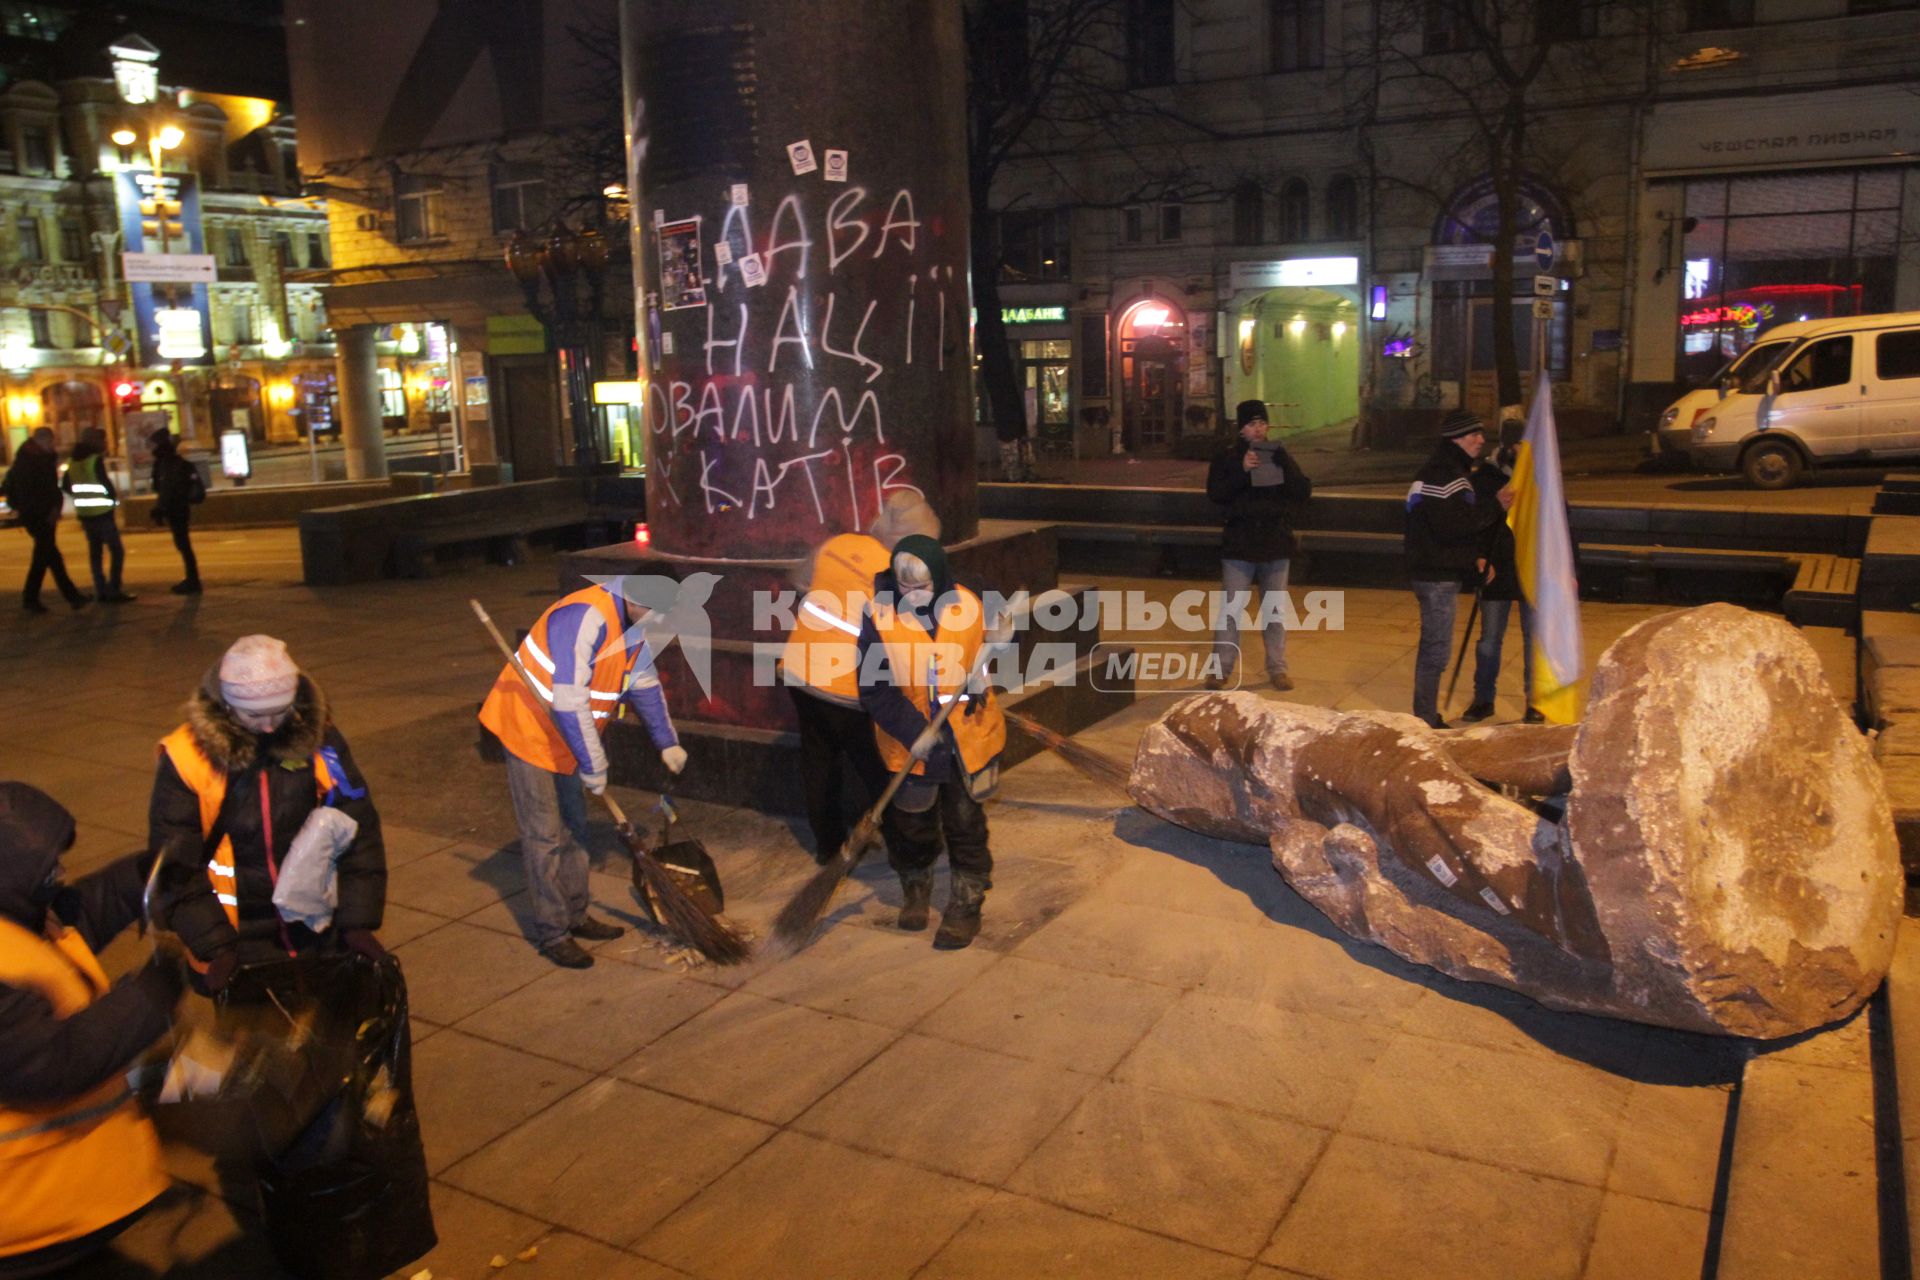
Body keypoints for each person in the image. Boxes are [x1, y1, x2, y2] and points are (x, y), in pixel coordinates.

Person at [0, 782, 178, 1276]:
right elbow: (50, 1065)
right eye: (46, 867)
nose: (59, 873)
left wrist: (142, 877)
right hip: (28, 1218)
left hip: (59, 1202)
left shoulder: (18, 917)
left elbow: (80, 915)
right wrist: (151, 996)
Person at [150, 635, 387, 991]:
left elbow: (358, 825)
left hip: (315, 926)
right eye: (254, 715)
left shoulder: (320, 741)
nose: (269, 727)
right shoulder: (187, 758)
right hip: (235, 933)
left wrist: (356, 920)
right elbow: (173, 863)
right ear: (226, 706)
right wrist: (216, 946)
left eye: (280, 712)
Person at [478, 577, 688, 968]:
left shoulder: (636, 625)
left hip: (568, 739)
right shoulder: (584, 617)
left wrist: (667, 741)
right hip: (529, 730)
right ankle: (553, 932)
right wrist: (595, 765)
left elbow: (642, 682)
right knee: (544, 836)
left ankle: (577, 914)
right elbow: (570, 699)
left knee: (574, 826)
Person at [857, 535, 1007, 951]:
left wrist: (1000, 644)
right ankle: (915, 884)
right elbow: (874, 689)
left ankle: (966, 901)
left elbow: (981, 658)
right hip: (911, 746)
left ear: (939, 578)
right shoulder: (878, 617)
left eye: (923, 586)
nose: (915, 595)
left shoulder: (968, 604)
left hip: (967, 738)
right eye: (906, 587)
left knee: (965, 823)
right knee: (911, 824)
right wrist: (913, 730)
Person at [779, 492, 940, 864]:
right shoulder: (898, 571)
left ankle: (827, 846)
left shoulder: (839, 543)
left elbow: (799, 582)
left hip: (799, 669)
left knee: (818, 761)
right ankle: (905, 848)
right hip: (845, 687)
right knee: (878, 764)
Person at [1405, 409, 1511, 729]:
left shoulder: (1451, 470)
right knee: (1436, 650)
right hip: (1435, 574)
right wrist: (1495, 507)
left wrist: (1474, 558)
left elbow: (1451, 527)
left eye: (1480, 434)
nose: (1481, 440)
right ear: (1456, 439)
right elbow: (1451, 525)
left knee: (1436, 647)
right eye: (1473, 435)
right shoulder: (1443, 473)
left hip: (1439, 569)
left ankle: (1426, 713)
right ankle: (1425, 718)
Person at [1206, 399, 1313, 692]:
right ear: (1241, 429)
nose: (1259, 429)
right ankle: (1220, 669)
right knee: (1231, 610)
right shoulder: (1227, 457)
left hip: (1275, 543)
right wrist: (1242, 470)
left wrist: (1285, 464)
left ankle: (1277, 668)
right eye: (1253, 424)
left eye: (1263, 423)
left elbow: (1302, 491)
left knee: (1274, 610)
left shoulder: (1278, 454)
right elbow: (1216, 494)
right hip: (1240, 543)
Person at [1460, 443, 1539, 724]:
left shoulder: (1541, 477)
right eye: (1515, 444)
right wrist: (1479, 558)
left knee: (1535, 640)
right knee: (1489, 640)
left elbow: (1560, 524)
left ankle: (1536, 702)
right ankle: (1483, 699)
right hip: (1497, 567)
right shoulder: (1483, 479)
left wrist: (1569, 569)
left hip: (1533, 568)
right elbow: (1469, 524)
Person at [1, 428, 88, 614]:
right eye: (50, 442)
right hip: (38, 517)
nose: (53, 445)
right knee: (49, 557)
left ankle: (35, 598)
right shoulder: (29, 462)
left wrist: (55, 507)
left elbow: (48, 488)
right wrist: (48, 511)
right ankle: (69, 597)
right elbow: (34, 493)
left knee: (46, 558)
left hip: (43, 515)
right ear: (41, 441)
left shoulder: (38, 459)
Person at [62, 427, 135, 604]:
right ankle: (114, 590)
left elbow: (65, 485)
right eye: (102, 440)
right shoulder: (94, 460)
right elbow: (105, 483)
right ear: (94, 441)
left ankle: (101, 590)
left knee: (95, 553)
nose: (104, 443)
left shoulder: (72, 461)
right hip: (102, 513)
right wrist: (112, 498)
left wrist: (81, 497)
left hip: (85, 515)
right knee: (117, 551)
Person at [147, 428, 202, 596]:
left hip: (174, 508)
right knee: (183, 544)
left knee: (183, 545)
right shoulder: (176, 462)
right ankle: (192, 579)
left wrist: (159, 509)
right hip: (181, 507)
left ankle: (193, 580)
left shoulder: (164, 464)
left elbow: (163, 489)